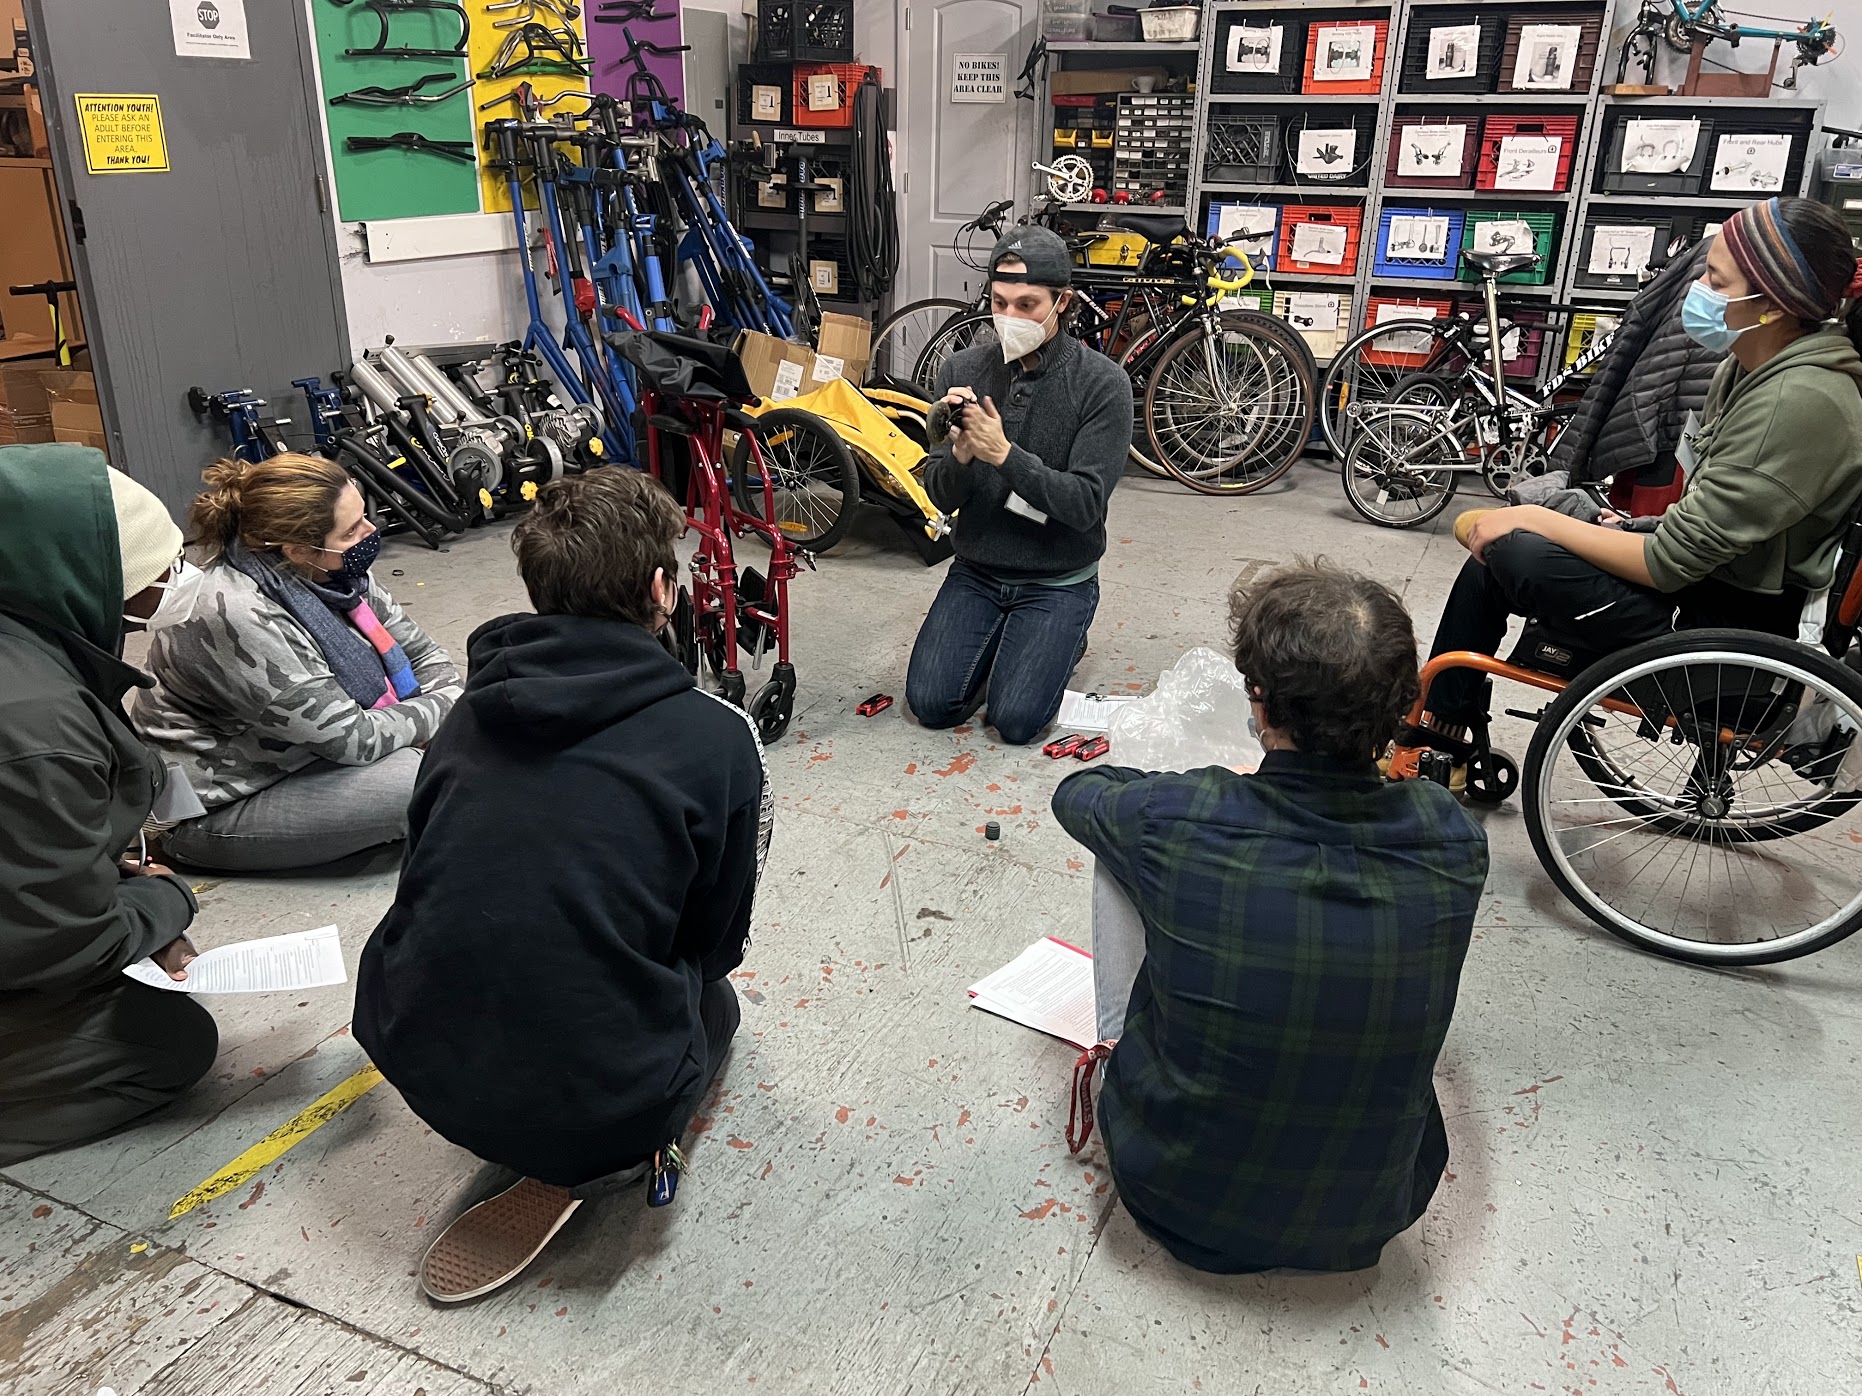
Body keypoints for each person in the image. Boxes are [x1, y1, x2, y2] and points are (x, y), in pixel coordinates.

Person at [354, 466, 772, 1303]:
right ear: (661, 588)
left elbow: (426, 871)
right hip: (590, 1103)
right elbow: (716, 938)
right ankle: (607, 1155)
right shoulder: (717, 738)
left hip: (413, 1053)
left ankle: (541, 1107)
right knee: (719, 1009)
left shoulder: (469, 711)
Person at [1054, 562, 1488, 1275]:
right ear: (1401, 705)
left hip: (1174, 1195)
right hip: (1374, 1213)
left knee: (1121, 857)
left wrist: (1199, 782)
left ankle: (1119, 1052)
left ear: (1259, 702)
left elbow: (1079, 793)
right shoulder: (1453, 837)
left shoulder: (1180, 818)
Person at [1413, 196, 1862, 757]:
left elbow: (1671, 562)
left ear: (1771, 302)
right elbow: (1712, 518)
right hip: (1710, 584)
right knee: (1499, 545)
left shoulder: (1798, 400)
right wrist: (1629, 525)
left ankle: (1436, 733)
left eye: (1716, 282)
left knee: (1518, 548)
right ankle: (1439, 734)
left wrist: (1537, 521)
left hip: (1724, 627)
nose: (1698, 291)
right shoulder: (1748, 369)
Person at [0, 445, 217, 1165]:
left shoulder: (28, 659)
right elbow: (66, 940)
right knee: (169, 1042)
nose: (172, 584)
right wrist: (165, 904)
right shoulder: (36, 722)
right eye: (158, 573)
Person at [131, 453, 460, 871]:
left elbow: (427, 656)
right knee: (418, 783)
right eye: (352, 529)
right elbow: (355, 739)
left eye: (363, 518)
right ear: (299, 550)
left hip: (303, 755)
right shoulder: (235, 613)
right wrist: (450, 709)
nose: (370, 532)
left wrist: (440, 710)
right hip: (220, 804)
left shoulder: (337, 575)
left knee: (449, 756)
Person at [906, 225, 1134, 746]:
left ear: (1064, 303)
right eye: (999, 302)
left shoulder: (1103, 385)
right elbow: (939, 496)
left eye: (1028, 304)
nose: (1009, 318)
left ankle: (1059, 638)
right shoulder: (962, 369)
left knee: (1016, 722)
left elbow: (1084, 505)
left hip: (1057, 577)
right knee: (931, 704)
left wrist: (1004, 455)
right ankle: (1009, 646)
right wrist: (962, 455)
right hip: (977, 569)